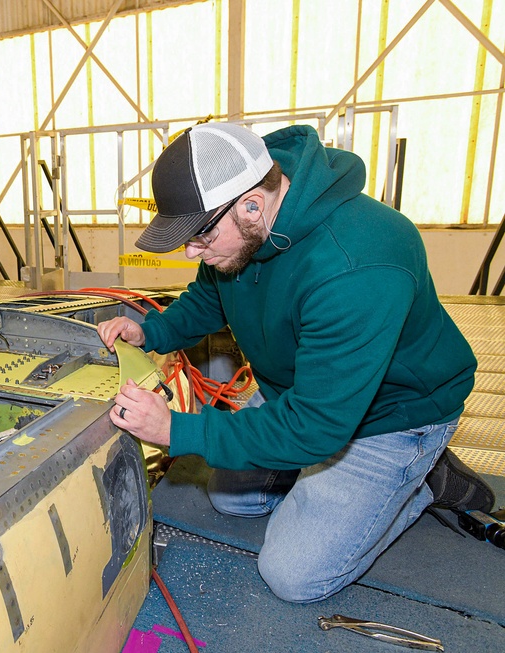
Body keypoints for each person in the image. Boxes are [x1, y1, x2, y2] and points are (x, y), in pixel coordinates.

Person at [97, 122, 494, 603]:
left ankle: (422, 477)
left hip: (390, 417)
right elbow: (210, 296)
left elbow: (315, 426)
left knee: (293, 575)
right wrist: (152, 331)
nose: (190, 251)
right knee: (232, 500)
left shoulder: (359, 262)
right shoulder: (243, 228)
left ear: (251, 204)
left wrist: (178, 431)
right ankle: (327, 480)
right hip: (301, 394)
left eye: (199, 235)